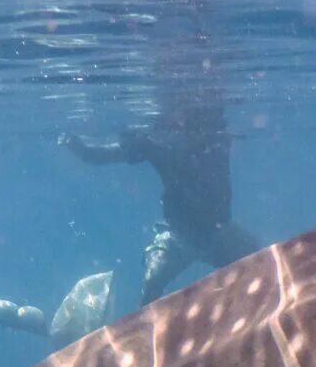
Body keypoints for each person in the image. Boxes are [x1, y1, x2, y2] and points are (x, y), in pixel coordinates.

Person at [62, 95, 258, 303]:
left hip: (218, 234)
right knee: (151, 285)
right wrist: (79, 148)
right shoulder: (160, 143)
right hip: (182, 238)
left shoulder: (208, 135)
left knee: (264, 267)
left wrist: (82, 149)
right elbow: (96, 155)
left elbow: (96, 155)